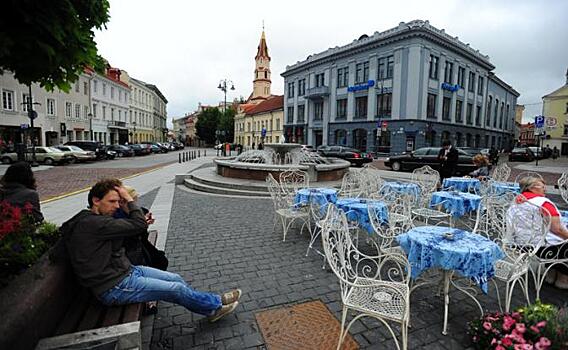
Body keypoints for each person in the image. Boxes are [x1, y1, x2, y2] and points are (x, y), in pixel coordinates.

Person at [60, 179, 241, 321]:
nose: (117, 206)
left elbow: (131, 230)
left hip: (127, 272)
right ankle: (213, 307)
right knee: (176, 289)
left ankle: (212, 302)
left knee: (176, 278)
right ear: (96, 200)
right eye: (113, 201)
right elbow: (137, 224)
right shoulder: (95, 224)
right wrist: (129, 201)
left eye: (119, 201)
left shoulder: (92, 219)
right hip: (113, 287)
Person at [508, 176, 568, 289]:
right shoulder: (543, 203)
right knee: (562, 241)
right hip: (541, 248)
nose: (545, 189)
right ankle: (563, 279)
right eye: (542, 186)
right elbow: (557, 229)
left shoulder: (517, 201)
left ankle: (551, 275)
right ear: (531, 188)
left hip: (520, 244)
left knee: (554, 240)